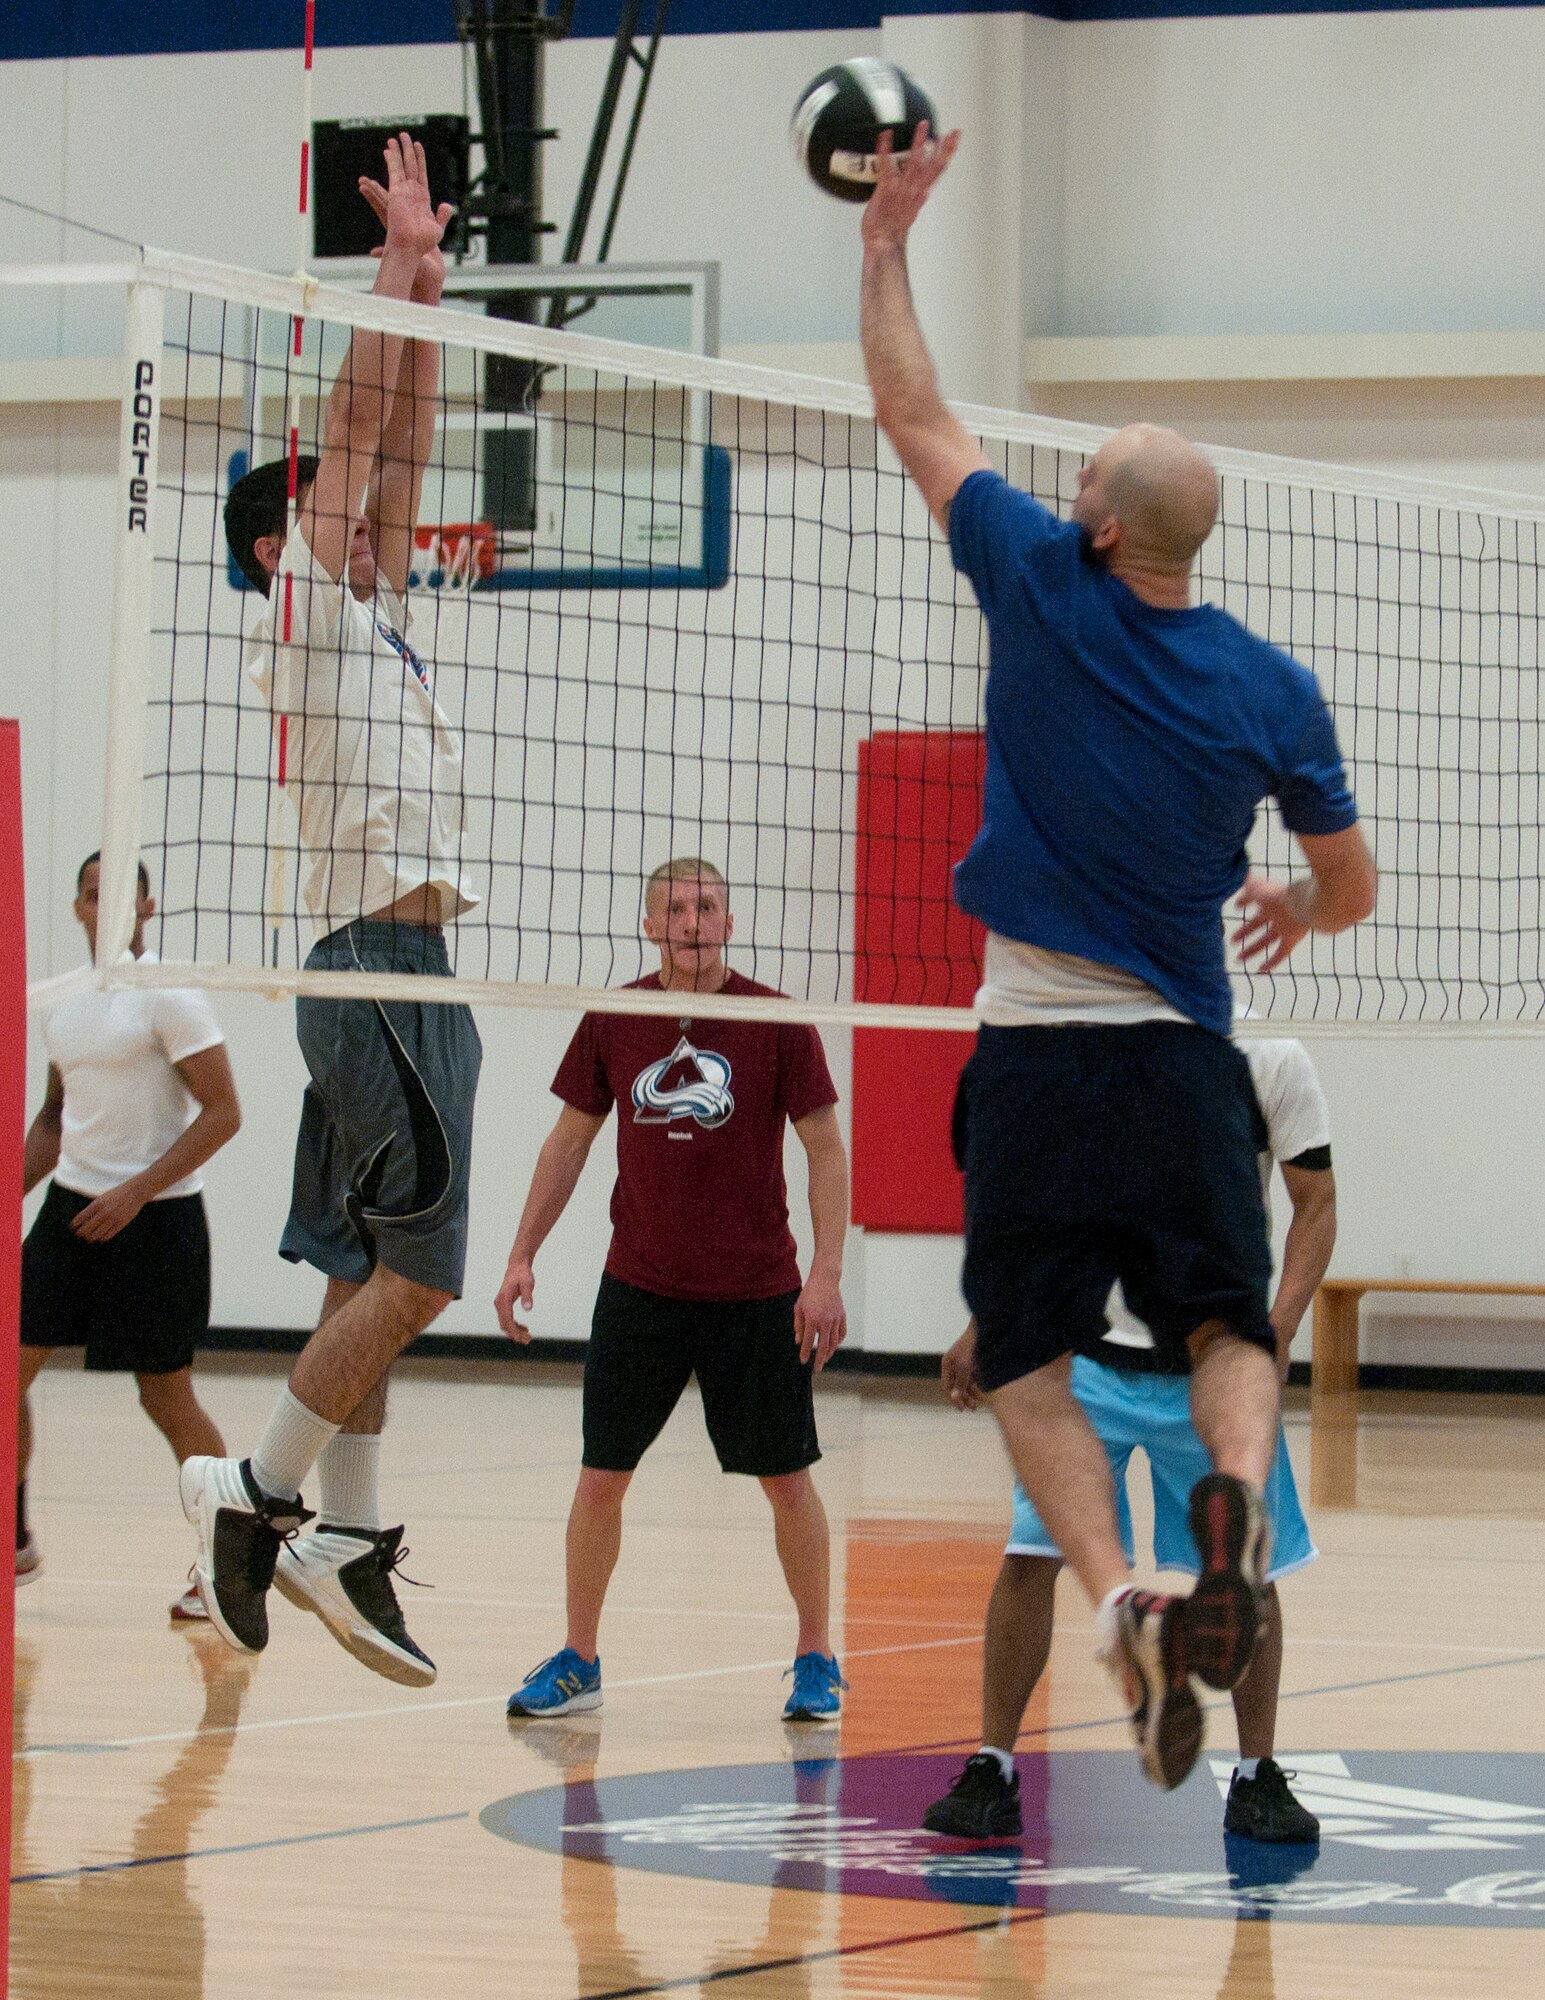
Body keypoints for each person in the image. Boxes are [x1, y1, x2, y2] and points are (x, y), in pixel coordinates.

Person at [858, 126, 1377, 1788]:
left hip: (1030, 1062)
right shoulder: (1269, 688)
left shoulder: (1037, 582)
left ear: (1092, 519)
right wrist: (1296, 906)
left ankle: (1124, 1602)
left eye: (1083, 470)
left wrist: (885, 244)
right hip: (1180, 1060)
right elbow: (1349, 885)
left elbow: (916, 409)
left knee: (1020, 1365)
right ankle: (1222, 1542)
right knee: (1230, 1332)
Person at [181, 134, 479, 1689]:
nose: (368, 514)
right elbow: (360, 426)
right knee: (421, 1277)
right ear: (279, 541)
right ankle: (257, 1495)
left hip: (412, 966)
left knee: (371, 1274)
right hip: (376, 964)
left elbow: (402, 439)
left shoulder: (381, 617)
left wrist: (427, 291)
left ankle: (350, 1535)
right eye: (334, 505)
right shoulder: (303, 611)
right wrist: (377, 287)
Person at [925, 1037, 1336, 1844]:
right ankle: (992, 1764)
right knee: (1028, 1557)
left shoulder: (1268, 1061)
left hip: (1211, 1364)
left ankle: (1256, 1775)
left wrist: (1275, 1330)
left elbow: (1314, 1203)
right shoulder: (1085, 1053)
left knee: (1250, 1567)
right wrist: (987, 1323)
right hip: (1092, 1364)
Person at [495, 858, 850, 1722]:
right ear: (650, 926)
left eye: (707, 907)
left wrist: (825, 1275)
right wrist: (520, 1255)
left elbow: (826, 1150)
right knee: (599, 1480)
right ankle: (579, 1657)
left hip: (756, 1293)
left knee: (787, 1481)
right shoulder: (619, 1014)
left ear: (728, 920)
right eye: (675, 910)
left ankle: (815, 1656)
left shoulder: (774, 1020)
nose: (692, 921)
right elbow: (568, 1143)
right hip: (640, 1289)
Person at [20, 854, 240, 1620]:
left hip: (158, 1219)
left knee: (165, 1395)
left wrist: (136, 1192)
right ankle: (15, 1535)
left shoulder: (169, 997)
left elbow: (223, 1112)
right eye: (91, 894)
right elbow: (54, 1118)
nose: (104, 906)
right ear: (77, 908)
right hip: (71, 1208)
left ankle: (227, 1563)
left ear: (147, 909)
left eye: (119, 896)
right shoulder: (64, 1003)